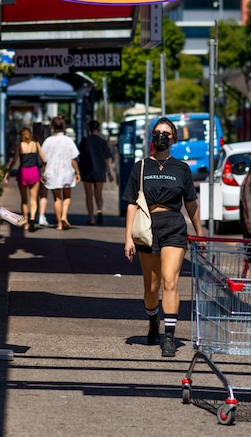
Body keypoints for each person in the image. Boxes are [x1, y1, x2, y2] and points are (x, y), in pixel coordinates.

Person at [122, 116, 204, 357]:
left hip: (174, 227)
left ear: (173, 139)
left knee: (170, 280)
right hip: (147, 228)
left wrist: (199, 234)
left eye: (166, 134)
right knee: (151, 286)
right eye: (157, 132)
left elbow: (191, 203)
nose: (161, 137)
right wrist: (128, 237)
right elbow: (131, 204)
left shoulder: (181, 168)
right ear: (151, 136)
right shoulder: (141, 167)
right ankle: (152, 323)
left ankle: (169, 336)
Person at [41, 115, 81, 230]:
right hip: (67, 172)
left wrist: (42, 173)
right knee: (67, 197)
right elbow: (74, 159)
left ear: (52, 127)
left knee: (57, 198)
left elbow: (44, 160)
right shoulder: (68, 141)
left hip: (52, 173)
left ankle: (59, 224)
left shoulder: (48, 141)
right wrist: (77, 173)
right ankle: (64, 216)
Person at [3, 128, 47, 230]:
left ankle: (25, 223)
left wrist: (8, 171)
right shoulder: (36, 144)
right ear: (31, 135)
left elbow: (14, 160)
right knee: (33, 198)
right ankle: (32, 218)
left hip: (23, 172)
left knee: (24, 200)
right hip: (34, 171)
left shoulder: (19, 146)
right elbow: (44, 160)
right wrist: (42, 173)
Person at [77, 120, 114, 225]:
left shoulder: (84, 141)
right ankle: (99, 211)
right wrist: (109, 173)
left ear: (89, 129)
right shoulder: (102, 142)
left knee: (89, 195)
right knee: (99, 194)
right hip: (100, 170)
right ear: (99, 129)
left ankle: (91, 219)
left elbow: (79, 157)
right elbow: (107, 159)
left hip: (87, 170)